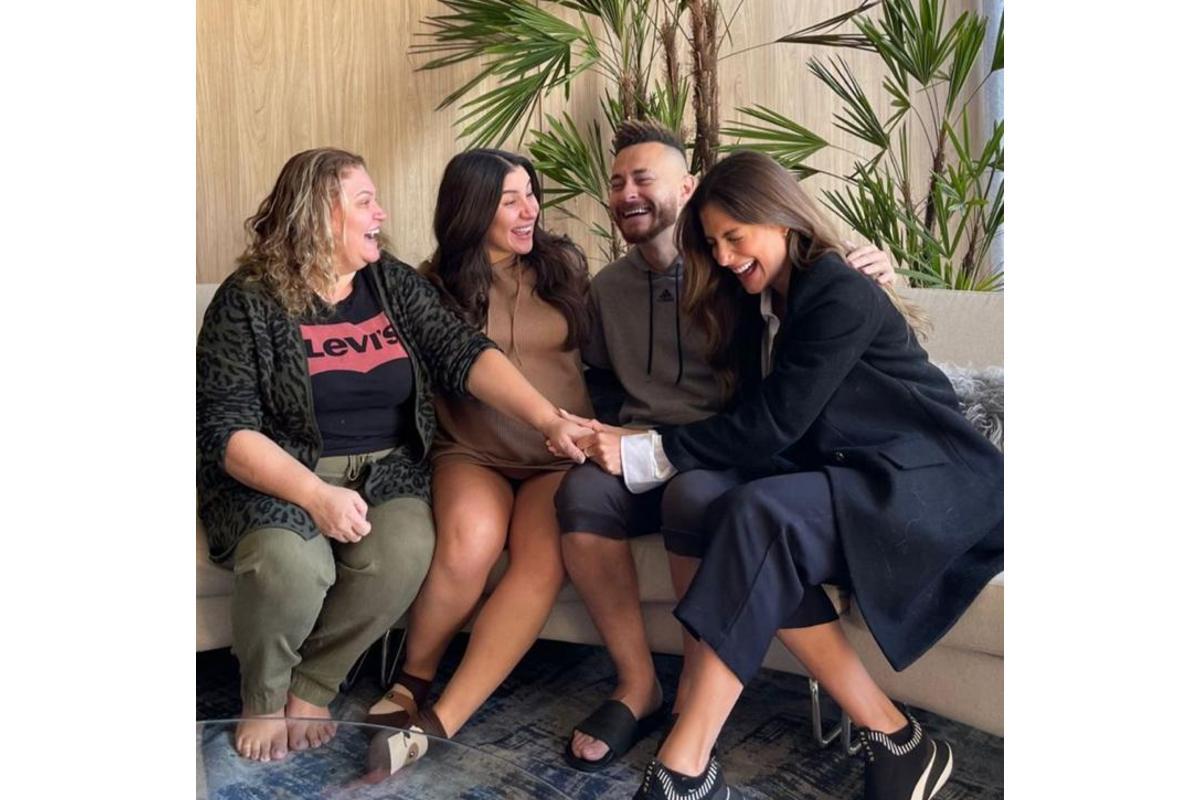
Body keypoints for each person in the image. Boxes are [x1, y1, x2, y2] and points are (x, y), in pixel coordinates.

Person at [561, 150, 1002, 800]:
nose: (725, 256)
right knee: (738, 516)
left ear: (781, 217)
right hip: (850, 475)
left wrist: (647, 452)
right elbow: (761, 418)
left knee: (759, 516)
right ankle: (892, 737)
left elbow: (775, 423)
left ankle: (686, 762)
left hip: (927, 482)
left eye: (735, 237)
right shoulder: (758, 300)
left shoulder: (837, 290)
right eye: (714, 243)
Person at [196, 148, 589, 764]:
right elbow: (224, 430)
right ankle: (264, 696)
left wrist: (547, 419)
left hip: (387, 469)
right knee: (290, 565)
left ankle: (313, 686)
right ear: (319, 215)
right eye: (365, 202)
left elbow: (462, 351)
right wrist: (315, 495)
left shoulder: (389, 282)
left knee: (405, 550)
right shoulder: (247, 301)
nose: (381, 213)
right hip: (285, 472)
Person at [556, 121, 896, 770]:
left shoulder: (733, 272)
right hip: (641, 447)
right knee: (582, 495)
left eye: (643, 178)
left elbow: (811, 290)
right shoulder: (608, 288)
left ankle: (695, 692)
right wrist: (611, 429)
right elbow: (598, 375)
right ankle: (637, 685)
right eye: (617, 182)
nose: (627, 193)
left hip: (723, 450)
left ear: (688, 188)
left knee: (691, 497)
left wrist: (875, 263)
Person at [363, 148, 595, 773]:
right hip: (472, 449)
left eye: (531, 194)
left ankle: (444, 719)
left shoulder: (564, 267)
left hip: (557, 458)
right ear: (471, 209)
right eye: (509, 200)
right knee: (470, 541)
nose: (530, 210)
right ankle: (413, 678)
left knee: (542, 561)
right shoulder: (429, 286)